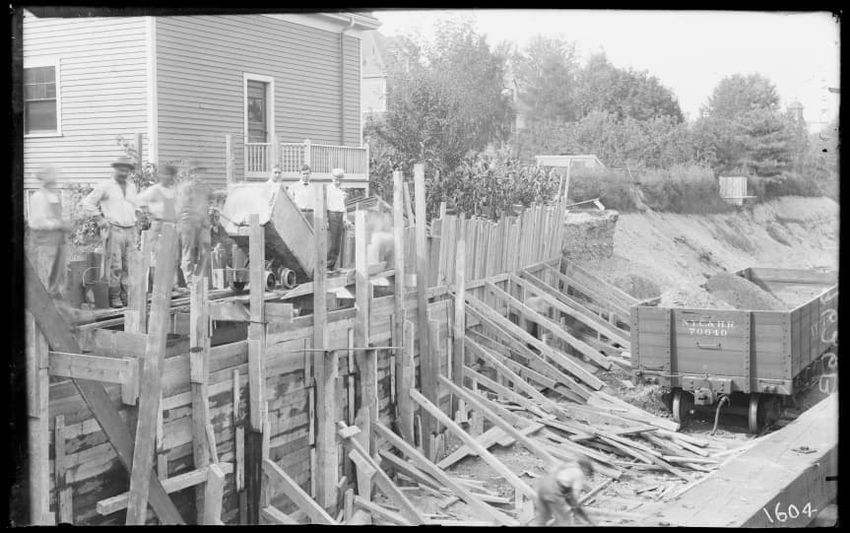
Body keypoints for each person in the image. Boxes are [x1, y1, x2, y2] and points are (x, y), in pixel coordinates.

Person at [82, 156, 140, 308]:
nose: (124, 173)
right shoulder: (106, 186)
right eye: (121, 169)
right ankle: (115, 297)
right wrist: (100, 219)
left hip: (131, 229)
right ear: (115, 169)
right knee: (115, 266)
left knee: (130, 266)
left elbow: (136, 206)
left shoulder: (132, 187)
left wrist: (140, 217)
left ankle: (127, 296)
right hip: (114, 229)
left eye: (126, 170)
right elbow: (87, 203)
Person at [28, 165, 72, 296]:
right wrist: (60, 224)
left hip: (58, 240)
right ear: (45, 180)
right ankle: (43, 303)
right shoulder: (38, 196)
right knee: (45, 274)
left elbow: (58, 215)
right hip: (44, 241)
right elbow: (38, 221)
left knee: (57, 275)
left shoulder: (54, 195)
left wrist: (65, 223)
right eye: (52, 178)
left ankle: (54, 301)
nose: (55, 181)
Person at [136, 164, 179, 290]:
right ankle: (158, 286)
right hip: (158, 225)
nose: (168, 178)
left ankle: (172, 286)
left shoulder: (174, 191)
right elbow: (138, 201)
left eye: (170, 175)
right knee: (158, 256)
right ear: (161, 176)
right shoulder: (155, 190)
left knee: (173, 256)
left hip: (172, 226)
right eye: (165, 175)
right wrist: (147, 212)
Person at [534, 456, 596, 527]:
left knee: (543, 518)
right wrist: (576, 509)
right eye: (587, 473)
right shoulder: (579, 473)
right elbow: (575, 496)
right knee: (564, 519)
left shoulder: (567, 465)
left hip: (543, 486)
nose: (586, 475)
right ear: (585, 468)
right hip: (553, 490)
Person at [176, 168, 212, 288]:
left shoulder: (203, 189)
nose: (200, 176)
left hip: (203, 223)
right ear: (191, 175)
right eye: (197, 174)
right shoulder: (185, 188)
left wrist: (206, 217)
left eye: (202, 174)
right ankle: (189, 280)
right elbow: (182, 206)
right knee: (189, 251)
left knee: (205, 250)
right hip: (188, 222)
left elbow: (205, 205)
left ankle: (199, 278)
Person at [326, 168, 348, 270]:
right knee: (332, 242)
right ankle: (327, 265)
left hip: (340, 216)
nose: (338, 182)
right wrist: (326, 219)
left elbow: (343, 207)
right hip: (332, 215)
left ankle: (332, 266)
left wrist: (344, 219)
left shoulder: (341, 191)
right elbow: (325, 206)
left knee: (337, 243)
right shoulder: (328, 189)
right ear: (332, 178)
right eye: (336, 180)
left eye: (340, 180)